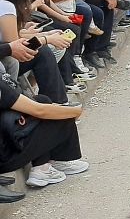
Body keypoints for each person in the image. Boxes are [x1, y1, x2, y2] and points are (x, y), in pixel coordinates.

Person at [0, 58, 87, 191]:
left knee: (43, 101)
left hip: (7, 142)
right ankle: (44, 168)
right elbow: (39, 111)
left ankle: (45, 164)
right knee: (61, 116)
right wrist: (75, 112)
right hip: (7, 157)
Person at [0, 0, 74, 105]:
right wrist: (47, 39)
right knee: (44, 52)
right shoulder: (6, 6)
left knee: (47, 45)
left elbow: (13, 38)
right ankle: (56, 102)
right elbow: (17, 47)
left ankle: (55, 101)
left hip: (7, 56)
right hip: (7, 61)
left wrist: (43, 34)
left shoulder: (6, 3)